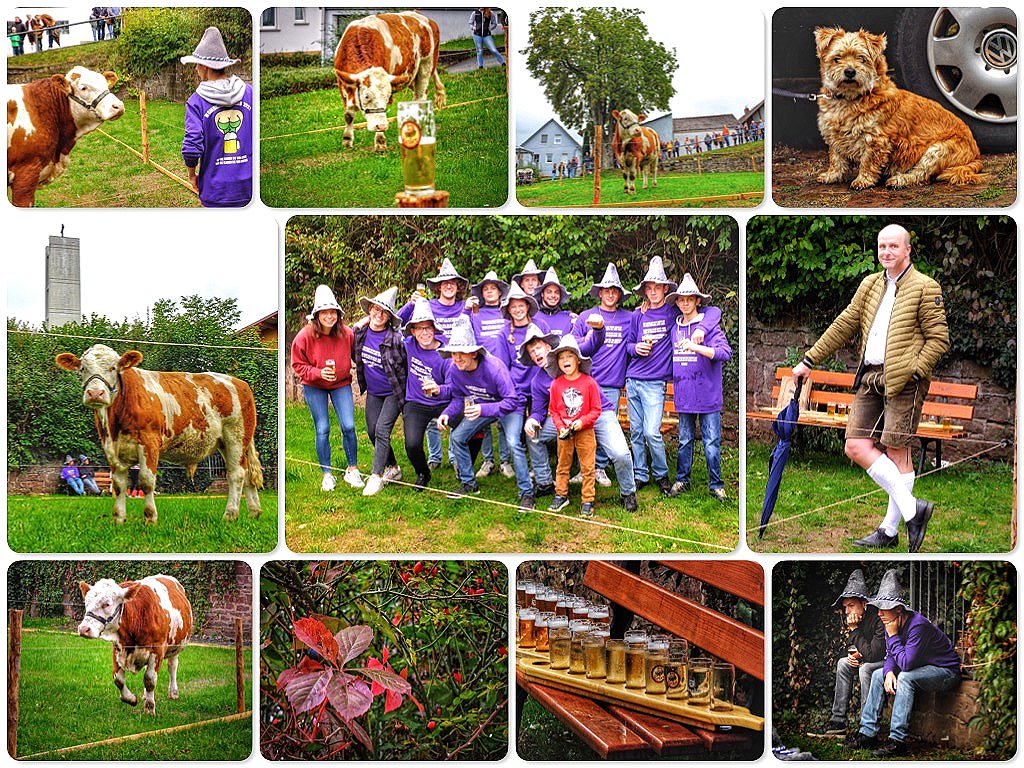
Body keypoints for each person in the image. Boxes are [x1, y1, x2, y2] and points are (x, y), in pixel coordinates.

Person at [791, 224, 949, 552]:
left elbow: (939, 340)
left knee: (896, 450)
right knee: (855, 446)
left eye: (893, 246)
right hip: (870, 377)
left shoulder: (925, 286)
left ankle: (889, 531)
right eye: (881, 247)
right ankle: (912, 509)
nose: (886, 252)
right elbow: (844, 324)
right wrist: (809, 360)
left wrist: (915, 371)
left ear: (907, 250)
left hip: (905, 381)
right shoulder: (869, 284)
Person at [522, 321, 639, 510]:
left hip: (597, 412)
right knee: (534, 436)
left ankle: (628, 492)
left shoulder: (570, 355)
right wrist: (533, 420)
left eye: (538, 348)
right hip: (566, 419)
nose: (536, 353)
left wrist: (599, 328)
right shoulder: (538, 381)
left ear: (548, 347)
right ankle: (545, 483)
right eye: (531, 351)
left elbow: (595, 342)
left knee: (620, 453)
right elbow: (539, 410)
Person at [848, 569, 961, 758]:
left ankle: (897, 741)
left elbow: (907, 664)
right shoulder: (889, 621)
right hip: (922, 667)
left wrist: (892, 636)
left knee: (906, 678)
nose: (880, 613)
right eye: (879, 608)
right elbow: (891, 655)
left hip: (946, 671)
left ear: (898, 610)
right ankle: (868, 733)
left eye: (884, 608)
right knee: (878, 674)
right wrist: (889, 671)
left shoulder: (918, 625)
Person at [437, 316, 534, 508]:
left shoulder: (494, 367)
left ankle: (527, 493)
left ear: (473, 353)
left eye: (461, 353)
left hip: (510, 408)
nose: (456, 358)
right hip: (483, 408)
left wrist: (483, 408)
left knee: (514, 443)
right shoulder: (455, 368)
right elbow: (458, 396)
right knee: (457, 437)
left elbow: (512, 400)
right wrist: (447, 413)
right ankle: (468, 483)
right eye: (453, 354)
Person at [290, 285, 363, 491]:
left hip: (340, 384)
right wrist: (318, 373)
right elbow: (297, 365)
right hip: (315, 386)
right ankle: (327, 474)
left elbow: (358, 353)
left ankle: (352, 469)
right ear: (317, 315)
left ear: (338, 315)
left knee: (348, 425)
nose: (329, 316)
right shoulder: (304, 336)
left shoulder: (347, 334)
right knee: (322, 428)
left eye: (333, 312)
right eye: (325, 312)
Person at [667, 274, 731, 501]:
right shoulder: (675, 328)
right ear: (677, 302)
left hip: (707, 395)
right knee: (684, 440)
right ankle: (682, 480)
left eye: (690, 299)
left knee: (711, 442)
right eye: (681, 300)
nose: (685, 303)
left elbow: (725, 353)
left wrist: (697, 347)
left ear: (697, 301)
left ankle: (716, 485)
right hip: (684, 395)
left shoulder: (709, 327)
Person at [573, 263, 635, 488]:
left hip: (611, 383)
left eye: (614, 291)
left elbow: (641, 331)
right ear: (599, 293)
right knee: (585, 426)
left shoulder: (629, 318)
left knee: (606, 425)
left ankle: (599, 468)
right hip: (586, 382)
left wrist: (646, 307)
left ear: (619, 295)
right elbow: (572, 344)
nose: (610, 294)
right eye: (606, 290)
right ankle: (584, 468)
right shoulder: (585, 317)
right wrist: (590, 337)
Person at [180, 27, 253, 207]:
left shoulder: (196, 102)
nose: (196, 69)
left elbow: (191, 147)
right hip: (249, 187)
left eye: (197, 64)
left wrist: (192, 175)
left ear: (205, 66)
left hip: (216, 190)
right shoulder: (249, 93)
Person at [625, 256, 679, 495]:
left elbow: (707, 311)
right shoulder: (638, 315)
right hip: (633, 380)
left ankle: (662, 475)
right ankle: (640, 474)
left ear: (665, 289)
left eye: (658, 287)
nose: (654, 291)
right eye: (650, 288)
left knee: (651, 432)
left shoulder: (672, 312)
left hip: (655, 383)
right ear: (645, 290)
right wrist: (636, 348)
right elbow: (628, 345)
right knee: (636, 432)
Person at [808, 569, 885, 737]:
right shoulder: (857, 619)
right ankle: (838, 722)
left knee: (866, 669)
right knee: (843, 663)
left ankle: (866, 726)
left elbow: (874, 654)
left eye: (851, 606)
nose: (847, 612)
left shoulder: (878, 618)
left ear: (864, 603)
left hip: (887, 661)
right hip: (871, 658)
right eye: (845, 607)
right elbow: (859, 649)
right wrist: (854, 655)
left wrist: (854, 630)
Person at [353, 287, 407, 496]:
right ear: (370, 311)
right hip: (374, 391)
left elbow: (407, 362)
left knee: (383, 430)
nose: (378, 314)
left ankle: (376, 477)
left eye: (384, 312)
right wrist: (360, 323)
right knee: (372, 431)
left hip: (393, 391)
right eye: (375, 309)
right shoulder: (361, 333)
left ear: (389, 317)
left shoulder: (395, 338)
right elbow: (350, 340)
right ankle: (393, 467)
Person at [546, 335, 603, 518]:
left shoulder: (589, 383)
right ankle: (561, 494)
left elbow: (596, 410)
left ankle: (588, 499)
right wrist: (560, 426)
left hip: (585, 431)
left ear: (578, 360)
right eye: (561, 358)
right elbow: (553, 410)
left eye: (569, 356)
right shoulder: (556, 385)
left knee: (588, 466)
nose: (565, 361)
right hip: (564, 432)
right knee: (562, 465)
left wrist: (582, 422)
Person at [466, 270, 514, 479]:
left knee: (503, 417)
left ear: (500, 291)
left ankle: (505, 460)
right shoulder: (476, 313)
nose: (489, 292)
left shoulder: (507, 312)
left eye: (493, 288)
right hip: (481, 372)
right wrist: (466, 310)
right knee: (483, 416)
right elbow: (466, 332)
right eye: (486, 289)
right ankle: (488, 460)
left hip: (503, 371)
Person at [402, 299, 452, 491]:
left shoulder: (446, 353)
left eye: (428, 328)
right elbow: (392, 324)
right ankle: (423, 472)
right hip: (416, 402)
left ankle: (464, 468)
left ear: (434, 329)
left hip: (443, 402)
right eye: (419, 328)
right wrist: (409, 305)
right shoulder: (409, 344)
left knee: (471, 429)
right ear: (413, 331)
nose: (424, 333)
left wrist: (439, 389)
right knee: (412, 444)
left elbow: (453, 387)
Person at [533, 266, 575, 340]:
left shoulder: (569, 318)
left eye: (556, 292)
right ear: (542, 294)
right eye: (549, 292)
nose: (553, 295)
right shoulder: (533, 318)